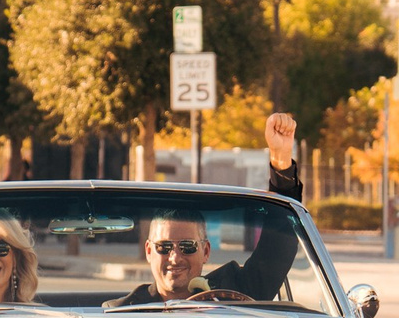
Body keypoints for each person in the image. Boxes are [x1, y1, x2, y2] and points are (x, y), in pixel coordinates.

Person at [108, 112, 306, 307]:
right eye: (164, 247)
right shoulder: (121, 313)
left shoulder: (236, 293)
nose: (175, 257)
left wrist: (281, 159)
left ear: (206, 251)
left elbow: (278, 247)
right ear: (149, 251)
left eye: (187, 246)